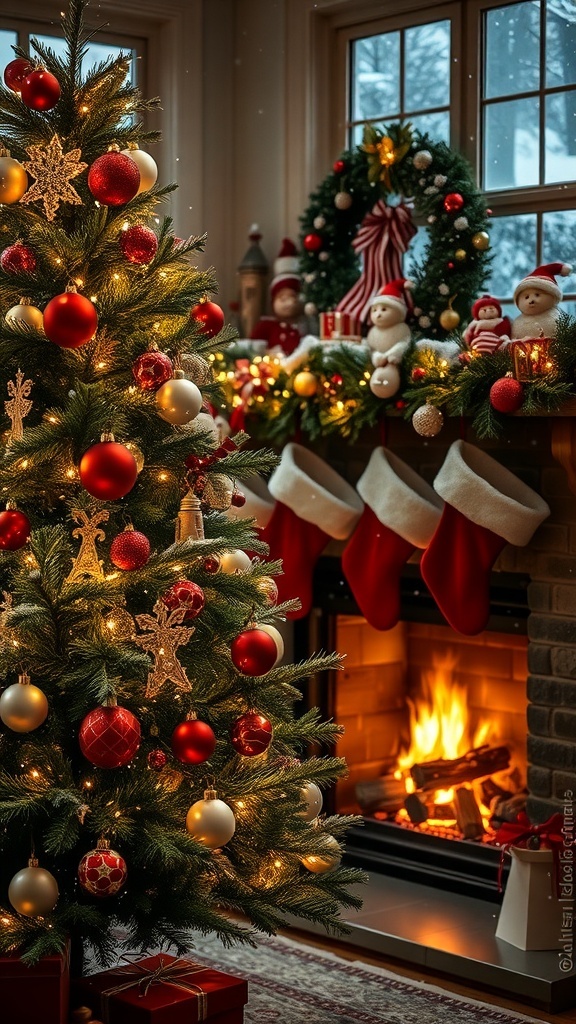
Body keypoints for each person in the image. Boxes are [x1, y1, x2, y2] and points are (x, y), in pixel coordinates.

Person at [250, 238, 304, 355]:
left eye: (293, 297)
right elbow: (253, 348)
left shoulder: (305, 326)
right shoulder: (266, 326)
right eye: (283, 298)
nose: (289, 303)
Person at [510, 262, 572, 340]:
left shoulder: (557, 317)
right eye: (526, 297)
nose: (531, 300)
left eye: (537, 295)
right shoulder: (517, 323)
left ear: (552, 295)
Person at [365, 278, 412, 367]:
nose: (378, 314)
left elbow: (405, 343)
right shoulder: (373, 331)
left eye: (384, 309)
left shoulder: (402, 328)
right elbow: (371, 348)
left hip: (395, 363)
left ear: (399, 311)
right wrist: (376, 356)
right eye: (374, 310)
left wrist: (391, 354)